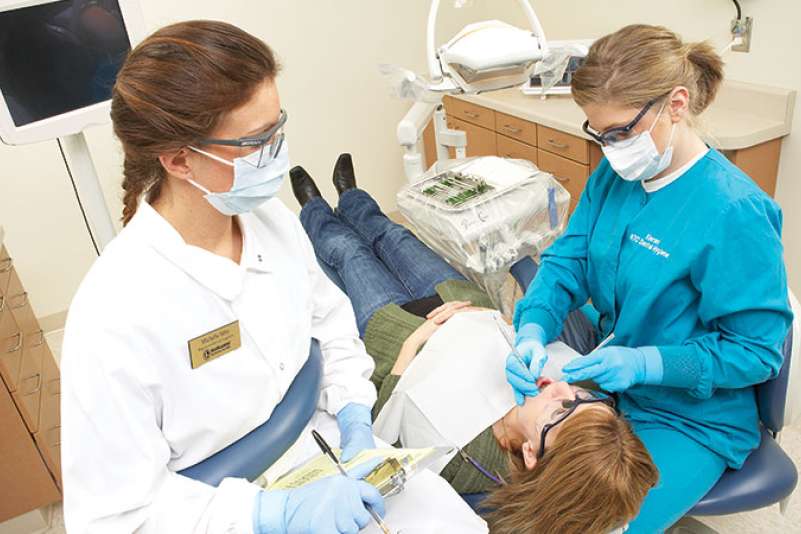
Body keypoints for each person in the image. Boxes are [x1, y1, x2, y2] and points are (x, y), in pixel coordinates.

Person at [60, 21, 484, 534]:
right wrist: (269, 515)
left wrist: (353, 416)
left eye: (277, 128)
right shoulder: (113, 314)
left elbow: (331, 324)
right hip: (223, 513)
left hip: (329, 453)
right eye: (258, 141)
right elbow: (113, 517)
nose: (278, 153)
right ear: (178, 160)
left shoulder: (271, 222)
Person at [506, 24, 794, 533]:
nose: (610, 149)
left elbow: (757, 353)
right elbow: (568, 262)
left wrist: (648, 363)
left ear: (676, 104)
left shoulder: (735, 213)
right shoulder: (617, 175)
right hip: (611, 380)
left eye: (619, 132)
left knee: (595, 523)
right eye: (598, 134)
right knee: (523, 484)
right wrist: (532, 328)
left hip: (690, 416)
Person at [289, 157, 659, 533]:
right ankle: (351, 196)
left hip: (396, 329)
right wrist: (505, 322)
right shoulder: (574, 385)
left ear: (530, 453)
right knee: (392, 235)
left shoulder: (466, 463)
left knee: (346, 251)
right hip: (457, 300)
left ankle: (312, 207)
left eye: (560, 411)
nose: (563, 389)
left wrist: (411, 348)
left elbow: (384, 430)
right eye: (583, 400)